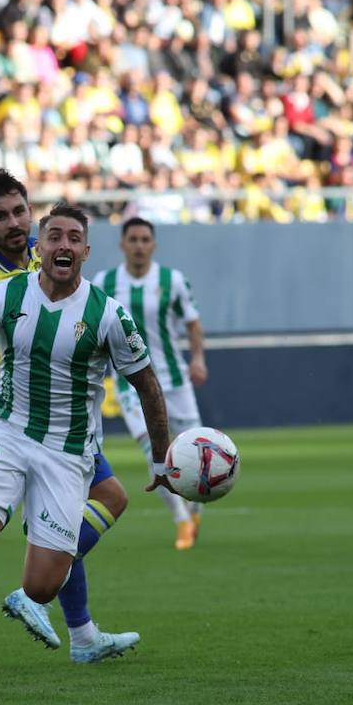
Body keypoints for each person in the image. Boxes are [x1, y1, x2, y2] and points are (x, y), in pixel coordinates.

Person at [0, 202, 175, 691]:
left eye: (72, 238)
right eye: (53, 236)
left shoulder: (108, 314)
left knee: (41, 585)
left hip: (67, 451)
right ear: (41, 249)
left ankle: (67, 622)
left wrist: (162, 459)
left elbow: (148, 385)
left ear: (85, 250)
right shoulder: (6, 293)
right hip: (6, 429)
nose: (62, 245)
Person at [92, 218, 209, 549]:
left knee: (198, 451)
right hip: (131, 383)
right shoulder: (106, 282)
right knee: (153, 450)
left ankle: (196, 508)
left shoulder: (172, 281)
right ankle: (181, 521)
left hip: (173, 378)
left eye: (145, 239)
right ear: (122, 244)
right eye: (133, 239)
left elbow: (193, 325)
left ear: (153, 245)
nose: (139, 245)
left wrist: (198, 359)